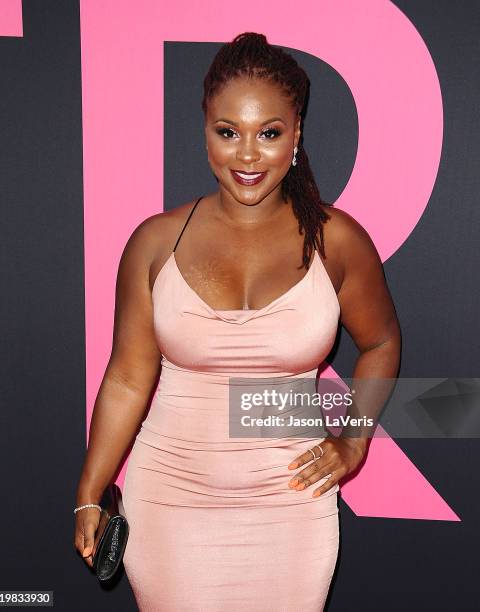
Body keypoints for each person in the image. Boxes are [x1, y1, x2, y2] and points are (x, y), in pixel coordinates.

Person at [74, 32, 401, 611]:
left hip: (292, 501)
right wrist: (90, 490)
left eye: (268, 133)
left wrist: (353, 441)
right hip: (169, 500)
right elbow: (127, 377)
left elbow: (379, 342)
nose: (247, 156)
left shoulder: (338, 240)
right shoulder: (155, 242)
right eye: (228, 132)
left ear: (296, 133)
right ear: (205, 130)